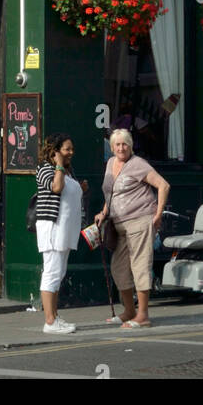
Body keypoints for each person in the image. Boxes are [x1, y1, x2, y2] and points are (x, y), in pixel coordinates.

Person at [95, 127, 169, 329]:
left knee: (140, 267)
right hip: (118, 224)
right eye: (117, 144)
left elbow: (163, 185)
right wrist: (103, 213)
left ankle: (143, 315)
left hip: (139, 220)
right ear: (111, 147)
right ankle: (129, 310)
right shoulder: (111, 163)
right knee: (118, 268)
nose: (121, 148)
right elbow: (110, 194)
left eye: (125, 143)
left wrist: (158, 214)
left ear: (131, 145)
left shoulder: (138, 164)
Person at [34, 132, 86, 334]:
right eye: (67, 149)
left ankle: (54, 316)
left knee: (59, 273)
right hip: (53, 228)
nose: (71, 152)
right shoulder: (45, 168)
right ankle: (49, 321)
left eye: (72, 149)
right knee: (52, 272)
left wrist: (80, 188)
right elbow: (55, 188)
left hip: (66, 229)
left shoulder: (66, 170)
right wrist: (58, 164)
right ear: (55, 151)